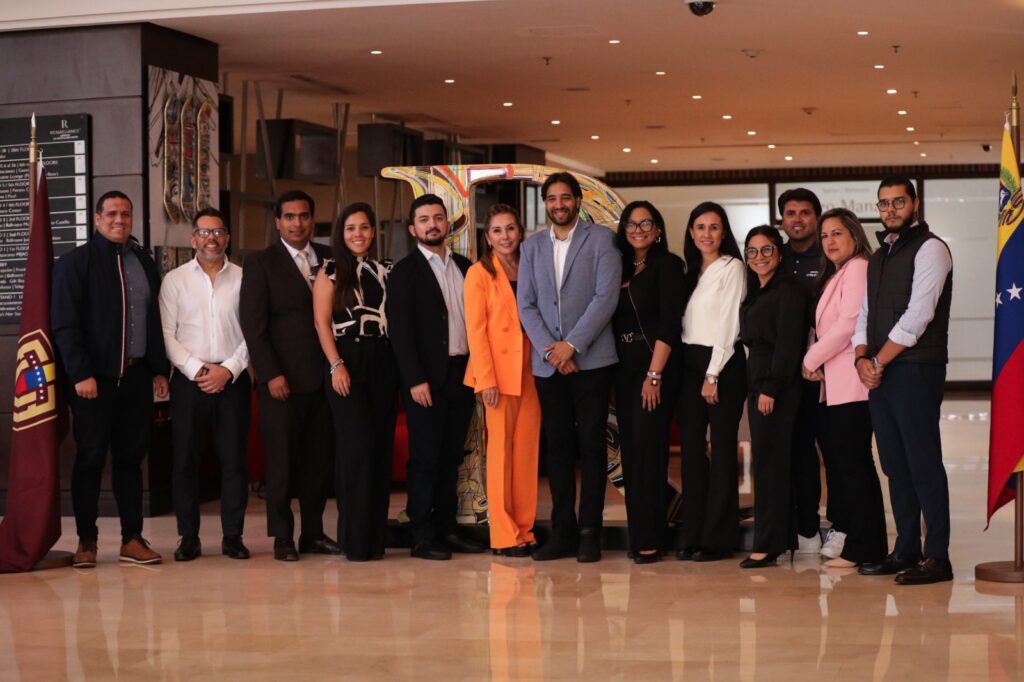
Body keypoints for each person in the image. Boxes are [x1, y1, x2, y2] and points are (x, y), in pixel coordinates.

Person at [52, 190, 170, 567]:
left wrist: (159, 369)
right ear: (98, 219)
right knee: (89, 459)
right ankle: (86, 541)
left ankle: (132, 539)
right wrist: (80, 373)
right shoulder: (75, 263)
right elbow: (65, 324)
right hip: (93, 382)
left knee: (130, 460)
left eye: (126, 214)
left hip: (136, 379)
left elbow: (154, 319)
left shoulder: (143, 262)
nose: (120, 219)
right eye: (112, 213)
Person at [854, 176, 954, 585]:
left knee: (922, 462)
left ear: (915, 203)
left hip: (916, 369)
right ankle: (906, 549)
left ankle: (938, 557)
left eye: (898, 201)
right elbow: (865, 313)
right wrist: (861, 358)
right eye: (884, 203)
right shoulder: (879, 256)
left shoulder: (932, 249)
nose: (891, 209)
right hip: (880, 370)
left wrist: (876, 360)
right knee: (894, 464)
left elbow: (919, 315)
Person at [518, 171, 621, 563]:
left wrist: (572, 345)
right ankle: (562, 532)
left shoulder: (602, 240)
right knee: (558, 449)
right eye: (552, 199)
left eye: (565, 197)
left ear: (578, 201)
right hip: (549, 366)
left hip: (591, 361)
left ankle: (589, 532)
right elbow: (526, 304)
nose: (558, 204)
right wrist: (551, 351)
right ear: (545, 203)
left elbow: (605, 297)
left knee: (592, 446)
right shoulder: (531, 247)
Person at [239, 190, 339, 561]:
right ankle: (282, 537)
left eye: (304, 216)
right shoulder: (260, 262)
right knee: (281, 462)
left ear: (312, 219)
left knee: (318, 462)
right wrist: (270, 374)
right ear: (278, 222)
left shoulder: (330, 257)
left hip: (324, 378)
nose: (298, 223)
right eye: (290, 217)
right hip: (280, 381)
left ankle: (313, 533)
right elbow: (254, 325)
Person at [387, 193, 486, 560]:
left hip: (462, 375)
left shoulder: (465, 266)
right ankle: (421, 535)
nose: (432, 225)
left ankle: (447, 529)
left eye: (438, 218)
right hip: (425, 380)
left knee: (451, 457)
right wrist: (414, 379)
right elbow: (400, 331)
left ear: (447, 224)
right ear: (413, 229)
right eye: (424, 219)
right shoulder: (405, 271)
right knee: (425, 458)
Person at [160, 207, 251, 562]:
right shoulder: (174, 280)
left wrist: (228, 369)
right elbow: (167, 334)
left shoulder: (244, 278)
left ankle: (233, 537)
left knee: (234, 462)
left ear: (227, 237)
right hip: (189, 383)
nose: (211, 239)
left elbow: (253, 331)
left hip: (234, 380)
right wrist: (198, 370)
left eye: (218, 232)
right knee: (185, 461)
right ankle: (188, 537)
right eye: (204, 232)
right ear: (193, 238)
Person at [801, 208, 887, 568]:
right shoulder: (837, 273)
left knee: (854, 466)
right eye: (824, 235)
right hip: (836, 385)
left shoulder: (859, 268)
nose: (829, 241)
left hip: (853, 385)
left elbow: (849, 324)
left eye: (836, 233)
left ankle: (865, 550)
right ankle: (861, 544)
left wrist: (810, 359)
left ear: (854, 234)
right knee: (847, 466)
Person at [312, 202, 397, 562]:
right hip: (346, 360)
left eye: (364, 227)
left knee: (380, 450)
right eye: (350, 228)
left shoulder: (388, 269)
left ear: (373, 232)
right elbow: (321, 323)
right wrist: (336, 365)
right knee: (357, 450)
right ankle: (355, 540)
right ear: (340, 234)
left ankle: (375, 540)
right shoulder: (329, 271)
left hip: (384, 362)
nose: (358, 234)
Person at [463, 204, 540, 557]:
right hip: (497, 373)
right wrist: (486, 379)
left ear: (520, 231)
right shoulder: (479, 273)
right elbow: (476, 331)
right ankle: (504, 534)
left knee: (526, 451)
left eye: (510, 228)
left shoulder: (530, 265)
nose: (505, 236)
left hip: (533, 368)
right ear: (487, 237)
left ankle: (524, 527)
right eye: (497, 230)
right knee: (500, 454)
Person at [611, 201, 685, 564]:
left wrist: (654, 375)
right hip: (623, 371)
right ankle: (640, 533)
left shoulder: (668, 265)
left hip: (655, 368)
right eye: (631, 224)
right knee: (631, 455)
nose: (638, 230)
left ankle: (654, 538)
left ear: (657, 230)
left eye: (646, 223)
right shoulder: (619, 266)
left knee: (650, 453)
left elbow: (671, 323)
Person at [675, 202, 746, 562]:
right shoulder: (689, 273)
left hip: (722, 365)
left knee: (721, 452)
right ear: (691, 232)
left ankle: (719, 539)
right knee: (690, 452)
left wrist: (712, 374)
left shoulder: (733, 268)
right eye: (700, 227)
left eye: (714, 227)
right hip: (688, 365)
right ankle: (693, 534)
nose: (707, 234)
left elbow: (730, 325)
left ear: (724, 232)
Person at [738, 225, 808, 568]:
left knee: (770, 467)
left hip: (775, 386)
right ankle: (778, 539)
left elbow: (788, 344)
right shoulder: (758, 290)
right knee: (770, 464)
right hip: (760, 382)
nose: (759, 257)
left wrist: (771, 387)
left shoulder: (788, 291)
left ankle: (767, 545)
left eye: (766, 250)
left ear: (779, 254)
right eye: (752, 251)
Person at [778, 188, 828, 556]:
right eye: (790, 213)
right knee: (795, 453)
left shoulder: (829, 256)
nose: (797, 219)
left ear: (816, 217)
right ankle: (801, 527)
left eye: (805, 213)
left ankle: (832, 526)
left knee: (832, 451)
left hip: (823, 373)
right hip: (783, 374)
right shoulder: (774, 257)